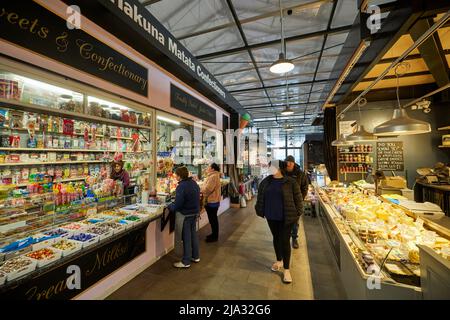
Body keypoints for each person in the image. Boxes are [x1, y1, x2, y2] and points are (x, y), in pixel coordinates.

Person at [255, 160, 303, 283]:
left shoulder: (290, 182)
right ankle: (279, 260)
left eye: (271, 166)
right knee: (276, 238)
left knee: (285, 241)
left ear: (279, 168)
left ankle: (287, 270)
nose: (269, 168)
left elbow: (298, 199)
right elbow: (260, 197)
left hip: (286, 217)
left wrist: (297, 213)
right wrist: (259, 209)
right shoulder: (266, 182)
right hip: (271, 216)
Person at [168, 166, 201, 268]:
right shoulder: (194, 183)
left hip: (185, 214)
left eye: (176, 175)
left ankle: (186, 261)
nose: (175, 177)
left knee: (186, 237)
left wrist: (170, 206)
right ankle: (195, 256)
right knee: (193, 235)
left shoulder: (181, 186)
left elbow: (178, 204)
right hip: (194, 213)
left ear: (179, 176)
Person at [284, 155, 308, 249]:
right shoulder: (282, 173)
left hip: (295, 202)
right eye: (287, 162)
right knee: (284, 222)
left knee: (295, 222)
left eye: (291, 162)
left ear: (294, 163)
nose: (289, 164)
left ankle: (294, 239)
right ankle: (285, 239)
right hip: (284, 202)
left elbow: (305, 187)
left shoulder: (300, 174)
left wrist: (301, 198)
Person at [201, 163, 222, 242]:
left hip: (212, 201)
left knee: (213, 219)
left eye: (208, 167)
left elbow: (207, 189)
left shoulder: (213, 177)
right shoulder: (214, 176)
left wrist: (201, 188)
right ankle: (214, 234)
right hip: (214, 200)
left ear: (213, 169)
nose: (207, 168)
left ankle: (214, 236)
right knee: (213, 218)